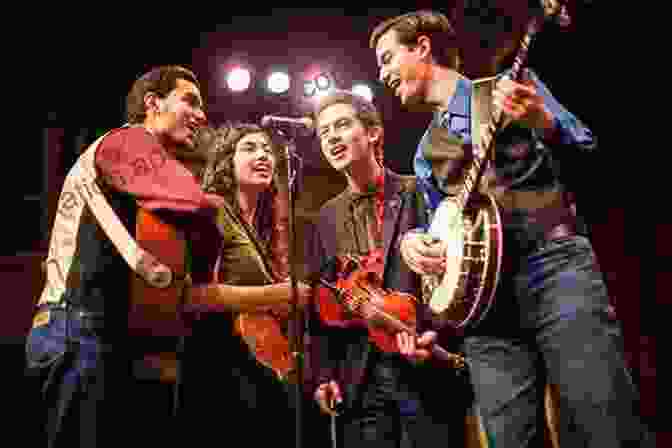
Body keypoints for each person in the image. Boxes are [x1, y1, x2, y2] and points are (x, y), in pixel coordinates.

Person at [369, 9, 652, 448]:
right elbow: (441, 234)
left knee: (605, 423)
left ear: (422, 47)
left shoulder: (513, 88)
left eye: (387, 59)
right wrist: (415, 244)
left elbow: (593, 156)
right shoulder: (425, 153)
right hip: (486, 309)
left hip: (555, 269)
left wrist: (542, 120)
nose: (382, 74)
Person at [24, 65, 307, 447]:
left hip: (94, 334)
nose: (202, 115)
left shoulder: (132, 163)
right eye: (189, 101)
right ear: (152, 104)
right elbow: (188, 200)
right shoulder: (128, 140)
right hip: (76, 330)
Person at [304, 89, 467, 448]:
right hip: (359, 376)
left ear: (373, 132)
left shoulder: (417, 191)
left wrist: (435, 335)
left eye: (342, 125)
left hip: (423, 364)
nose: (331, 136)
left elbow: (453, 272)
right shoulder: (325, 219)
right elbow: (321, 306)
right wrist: (323, 374)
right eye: (323, 132)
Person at [178, 122, 312, 446]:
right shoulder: (212, 211)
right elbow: (190, 297)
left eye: (267, 149)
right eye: (250, 148)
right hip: (216, 367)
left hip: (251, 364)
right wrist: (279, 293)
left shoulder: (262, 228)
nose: (264, 154)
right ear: (226, 159)